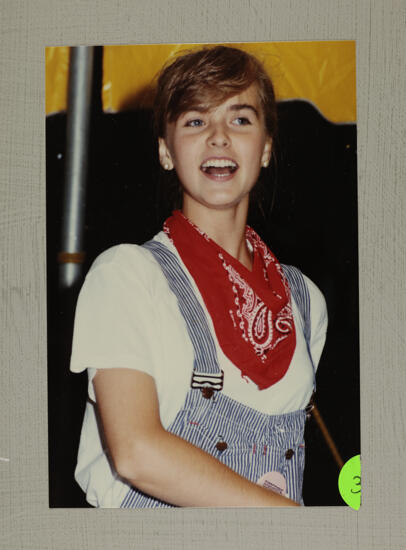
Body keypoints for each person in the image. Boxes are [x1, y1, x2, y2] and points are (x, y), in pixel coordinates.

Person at [70, 45, 327, 508]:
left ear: (266, 148)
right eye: (195, 120)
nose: (219, 137)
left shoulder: (306, 300)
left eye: (240, 119)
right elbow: (135, 453)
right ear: (167, 153)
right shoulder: (127, 277)